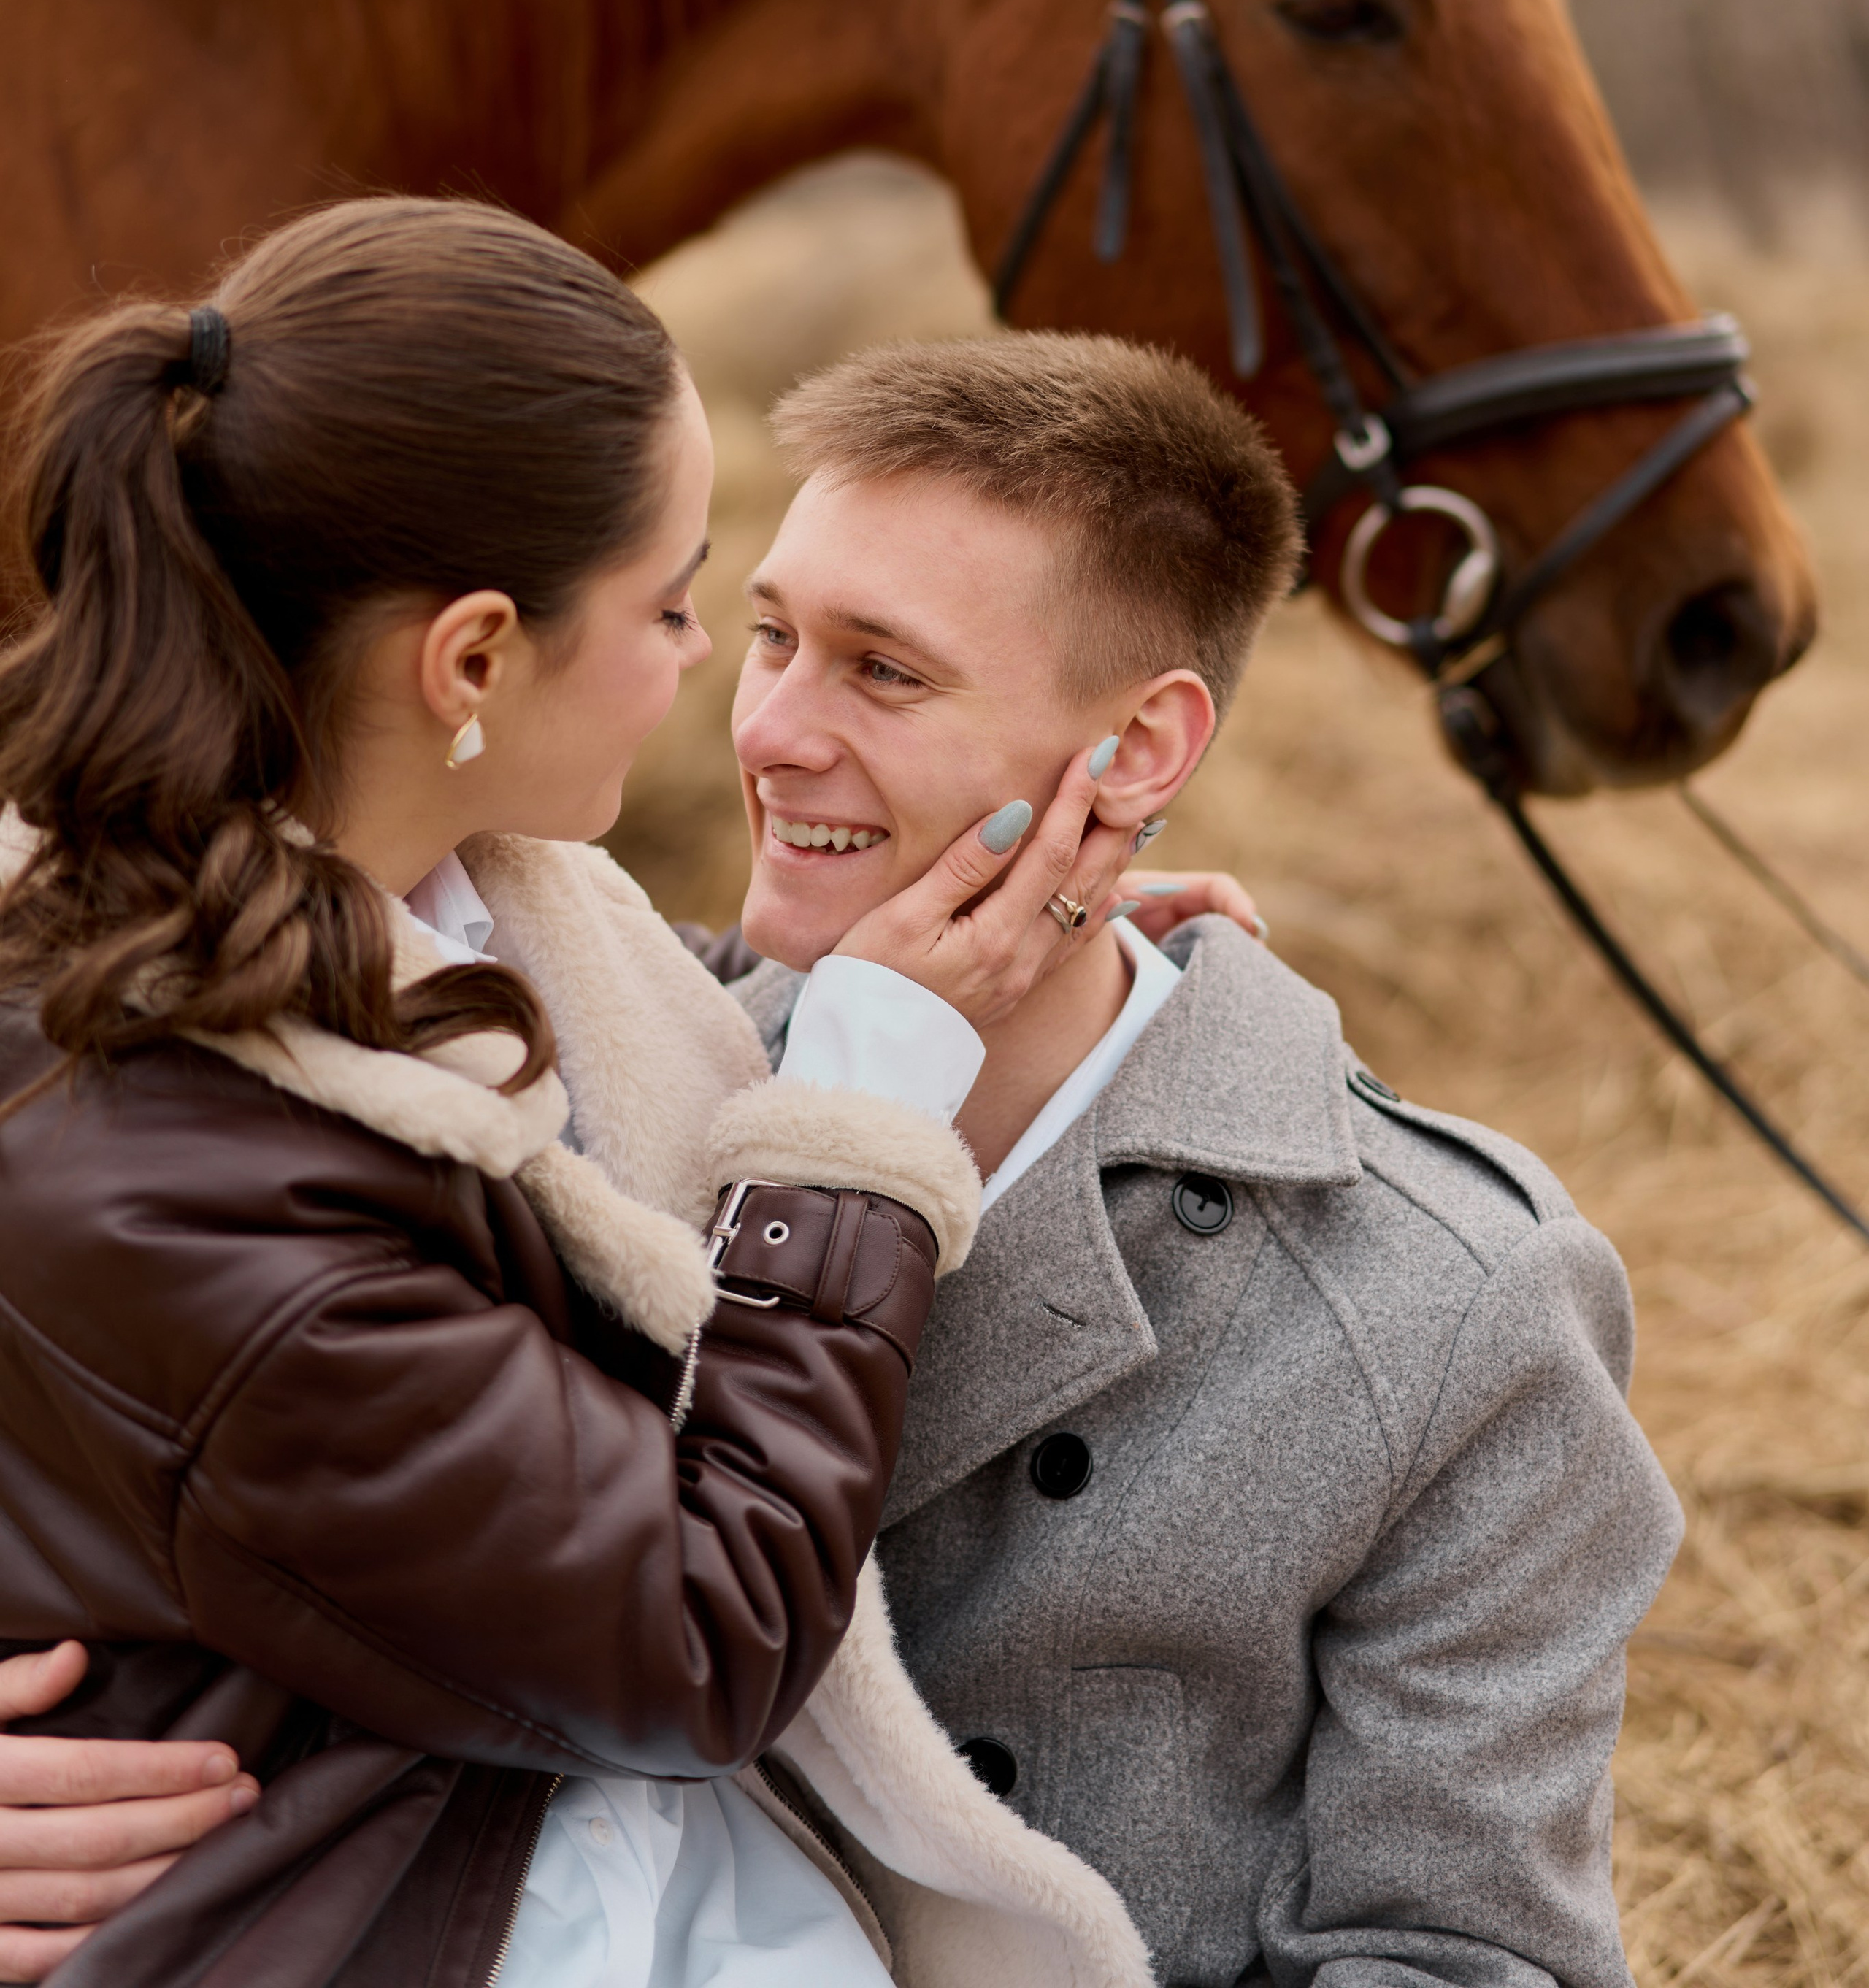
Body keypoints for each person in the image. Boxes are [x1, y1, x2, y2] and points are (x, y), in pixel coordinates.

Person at [5, 321, 1683, 1987]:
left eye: (883, 670)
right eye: (760, 635)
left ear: (1142, 752)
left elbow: (1461, 1960)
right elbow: (129, 1424)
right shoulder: (535, 1073)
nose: (769, 733)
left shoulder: (1450, 1303)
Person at [0, 206, 1160, 1988]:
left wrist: (1013, 959)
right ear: (469, 660)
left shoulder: (411, 900)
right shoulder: (188, 1179)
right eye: (685, 603)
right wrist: (859, 1116)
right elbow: (697, 1638)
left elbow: (546, 1056)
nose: (724, 682)